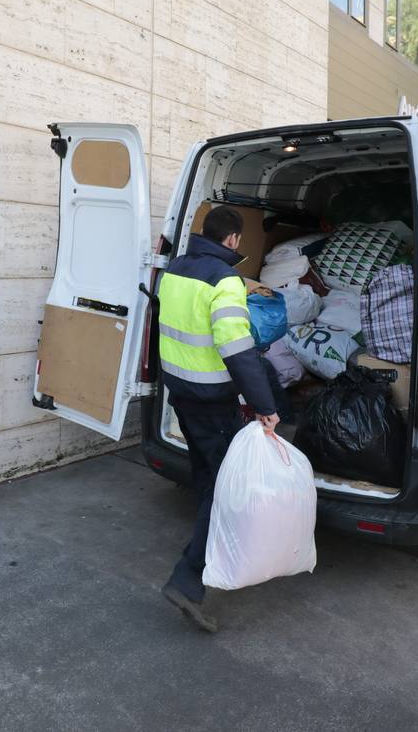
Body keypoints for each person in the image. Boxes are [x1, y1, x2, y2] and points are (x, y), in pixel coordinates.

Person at [157, 205, 280, 633]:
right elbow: (237, 347)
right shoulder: (225, 280)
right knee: (227, 488)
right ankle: (188, 578)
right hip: (212, 397)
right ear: (232, 241)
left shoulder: (174, 269)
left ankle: (206, 543)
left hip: (181, 392)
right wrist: (265, 405)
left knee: (209, 477)